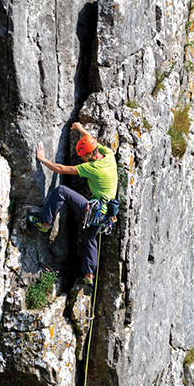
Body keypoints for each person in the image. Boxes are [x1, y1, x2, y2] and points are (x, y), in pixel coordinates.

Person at [28, 122, 118, 284]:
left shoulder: (93, 168)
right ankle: (88, 275)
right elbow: (93, 142)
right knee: (90, 238)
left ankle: (45, 222)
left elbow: (61, 169)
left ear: (90, 155)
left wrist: (42, 160)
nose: (81, 159)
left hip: (95, 212)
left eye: (83, 156)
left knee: (61, 190)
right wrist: (80, 128)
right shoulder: (109, 155)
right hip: (107, 215)